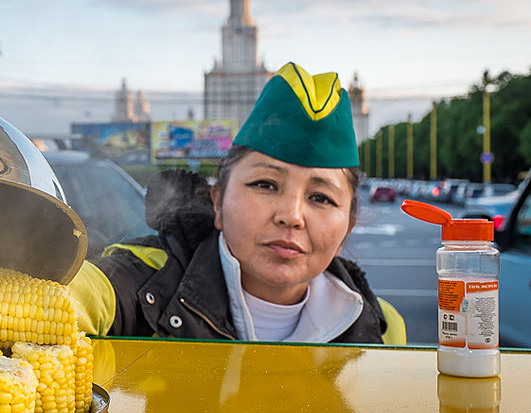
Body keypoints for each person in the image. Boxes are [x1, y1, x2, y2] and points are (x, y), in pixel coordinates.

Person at [69, 61, 406, 344]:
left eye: (320, 197)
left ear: (348, 223)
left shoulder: (381, 328)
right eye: (265, 184)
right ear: (217, 201)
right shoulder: (143, 286)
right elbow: (68, 300)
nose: (291, 216)